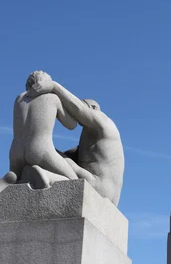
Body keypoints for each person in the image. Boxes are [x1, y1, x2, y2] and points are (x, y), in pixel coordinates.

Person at [28, 77, 124, 206]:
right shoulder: (96, 136)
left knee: (48, 153)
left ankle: (47, 176)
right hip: (111, 198)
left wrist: (53, 86)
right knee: (59, 158)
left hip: (96, 185)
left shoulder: (103, 120)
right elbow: (75, 154)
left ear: (93, 108)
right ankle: (46, 175)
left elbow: (80, 110)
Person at [7, 71, 79, 188]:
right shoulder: (52, 97)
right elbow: (72, 125)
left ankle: (9, 180)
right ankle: (45, 174)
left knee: (15, 179)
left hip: (15, 151)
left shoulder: (18, 99)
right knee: (74, 182)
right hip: (40, 149)